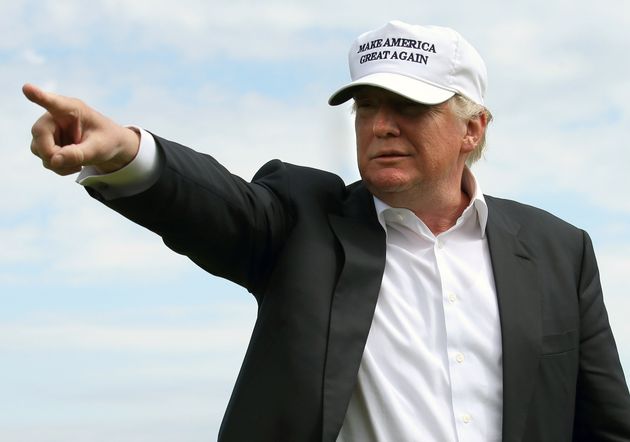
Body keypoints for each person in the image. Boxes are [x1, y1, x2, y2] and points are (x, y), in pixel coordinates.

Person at [24, 20, 630, 442]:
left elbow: (604, 423)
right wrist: (122, 152)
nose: (382, 126)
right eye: (367, 105)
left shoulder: (558, 250)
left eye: (409, 107)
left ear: (471, 129)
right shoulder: (302, 223)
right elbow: (210, 204)